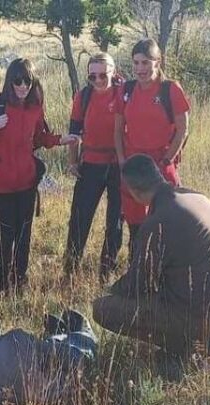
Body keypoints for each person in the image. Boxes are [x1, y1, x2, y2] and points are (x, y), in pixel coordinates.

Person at [92, 155, 210, 364]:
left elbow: (138, 284)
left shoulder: (158, 222)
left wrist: (111, 290)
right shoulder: (196, 197)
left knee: (103, 309)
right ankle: (196, 338)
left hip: (204, 315)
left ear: (134, 192)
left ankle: (180, 348)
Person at [0, 58, 75, 291]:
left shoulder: (34, 107)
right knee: (6, 235)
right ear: (10, 81)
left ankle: (20, 280)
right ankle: (2, 284)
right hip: (0, 186)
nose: (23, 86)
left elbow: (39, 138)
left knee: (24, 235)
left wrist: (60, 140)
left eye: (27, 81)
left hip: (27, 183)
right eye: (17, 80)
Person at [114, 38, 191, 254]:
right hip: (133, 165)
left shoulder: (170, 89)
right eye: (136, 63)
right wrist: (122, 162)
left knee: (167, 222)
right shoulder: (127, 89)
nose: (140, 69)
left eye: (146, 62)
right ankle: (138, 267)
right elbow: (118, 130)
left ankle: (166, 267)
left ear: (158, 62)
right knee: (136, 228)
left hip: (161, 165)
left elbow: (183, 129)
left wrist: (166, 161)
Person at [63, 52, 123, 281]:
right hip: (91, 164)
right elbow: (74, 132)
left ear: (114, 73)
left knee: (115, 222)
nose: (97, 80)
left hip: (118, 165)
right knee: (79, 218)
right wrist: (72, 161)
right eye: (92, 76)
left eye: (103, 75)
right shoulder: (83, 96)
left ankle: (106, 272)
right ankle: (70, 271)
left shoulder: (124, 93)